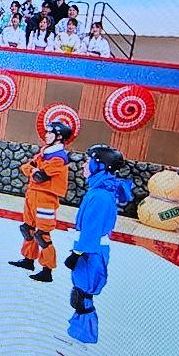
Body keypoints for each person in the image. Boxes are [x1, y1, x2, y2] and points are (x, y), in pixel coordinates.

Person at [65, 145, 132, 343]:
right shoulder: (99, 190)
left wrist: (77, 253)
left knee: (83, 296)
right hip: (90, 250)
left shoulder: (100, 196)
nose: (84, 165)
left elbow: (92, 230)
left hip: (91, 252)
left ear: (100, 165)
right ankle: (77, 331)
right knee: (80, 293)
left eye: (88, 161)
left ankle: (84, 337)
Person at [9, 120, 72, 281]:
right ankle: (28, 259)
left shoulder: (59, 158)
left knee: (42, 234)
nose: (47, 135)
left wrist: (34, 170)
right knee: (28, 228)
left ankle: (47, 270)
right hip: (32, 194)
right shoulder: (45, 152)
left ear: (59, 137)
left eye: (51, 133)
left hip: (46, 198)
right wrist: (34, 170)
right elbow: (26, 167)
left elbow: (40, 176)